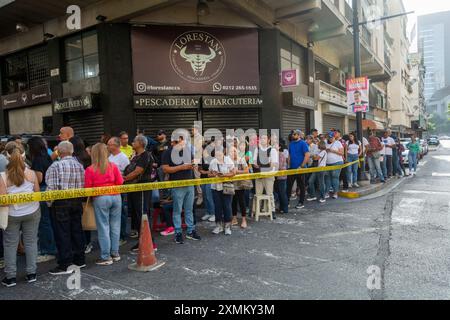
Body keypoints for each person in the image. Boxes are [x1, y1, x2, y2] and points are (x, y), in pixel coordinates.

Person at [0, 142, 41, 287]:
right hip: (32, 211)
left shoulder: (3, 177)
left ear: (7, 156)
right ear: (24, 155)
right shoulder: (32, 173)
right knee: (31, 242)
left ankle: (10, 277)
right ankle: (32, 274)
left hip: (11, 215)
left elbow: (3, 202)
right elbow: (37, 195)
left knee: (10, 245)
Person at [46, 141, 86, 275]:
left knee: (62, 233)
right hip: (76, 200)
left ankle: (65, 264)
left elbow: (51, 189)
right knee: (76, 230)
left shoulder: (55, 166)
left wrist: (49, 203)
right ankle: (80, 260)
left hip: (61, 202)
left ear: (59, 152)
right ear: (72, 151)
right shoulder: (79, 165)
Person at [85, 143, 124, 266]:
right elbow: (120, 182)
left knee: (103, 227)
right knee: (115, 226)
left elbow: (87, 188)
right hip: (116, 196)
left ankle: (106, 256)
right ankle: (115, 253)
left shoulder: (90, 169)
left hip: (100, 198)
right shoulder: (113, 166)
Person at [162, 134, 201, 244]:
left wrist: (193, 163)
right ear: (173, 143)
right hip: (177, 185)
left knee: (189, 210)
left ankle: (190, 231)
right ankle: (178, 233)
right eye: (179, 142)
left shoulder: (187, 151)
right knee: (177, 210)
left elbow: (194, 161)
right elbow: (165, 169)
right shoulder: (168, 152)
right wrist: (182, 167)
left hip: (189, 183)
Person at [123, 135, 156, 253]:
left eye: (134, 140)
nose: (132, 142)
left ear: (141, 143)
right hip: (134, 188)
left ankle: (149, 242)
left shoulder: (145, 155)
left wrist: (124, 179)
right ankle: (142, 240)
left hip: (142, 188)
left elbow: (138, 171)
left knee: (143, 214)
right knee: (137, 215)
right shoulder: (135, 156)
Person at [27, 137, 56, 263]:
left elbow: (38, 179)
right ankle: (50, 247)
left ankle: (47, 250)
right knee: (49, 221)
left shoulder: (38, 159)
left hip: (42, 191)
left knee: (44, 222)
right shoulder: (47, 157)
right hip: (49, 190)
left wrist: (29, 175)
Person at [70, 136, 93, 255]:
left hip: (75, 193)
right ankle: (87, 242)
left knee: (78, 221)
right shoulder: (88, 158)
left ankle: (80, 244)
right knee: (86, 218)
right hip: (86, 192)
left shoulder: (74, 159)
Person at [107, 137, 130, 245]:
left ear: (116, 145)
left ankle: (122, 236)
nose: (108, 146)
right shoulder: (110, 156)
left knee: (120, 213)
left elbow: (127, 173)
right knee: (113, 214)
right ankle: (115, 235)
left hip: (119, 188)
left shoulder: (123, 158)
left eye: (109, 144)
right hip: (110, 188)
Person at [209, 146, 236, 235]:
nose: (218, 155)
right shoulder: (213, 161)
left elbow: (233, 172)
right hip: (215, 188)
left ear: (223, 152)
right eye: (217, 154)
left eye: (220, 153)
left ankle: (227, 226)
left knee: (227, 207)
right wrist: (213, 174)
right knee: (217, 207)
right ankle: (218, 226)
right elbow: (209, 174)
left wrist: (224, 175)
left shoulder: (228, 160)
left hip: (226, 187)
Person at [253, 134, 279, 213]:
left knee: (269, 193)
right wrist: (257, 165)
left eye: (264, 138)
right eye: (261, 138)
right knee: (258, 194)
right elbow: (254, 162)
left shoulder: (273, 150)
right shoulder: (257, 149)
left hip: (269, 175)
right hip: (259, 174)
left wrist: (266, 164)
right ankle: (255, 211)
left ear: (268, 140)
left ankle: (272, 210)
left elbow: (274, 164)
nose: (262, 140)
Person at [286, 130, 310, 209]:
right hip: (292, 168)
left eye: (295, 134)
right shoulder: (291, 144)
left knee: (301, 186)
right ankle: (287, 202)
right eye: (292, 134)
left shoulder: (303, 143)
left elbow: (307, 155)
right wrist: (288, 165)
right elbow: (289, 155)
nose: (293, 135)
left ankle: (301, 202)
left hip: (300, 168)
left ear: (299, 135)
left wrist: (302, 165)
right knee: (289, 186)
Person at [230, 145, 250, 228]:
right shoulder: (228, 160)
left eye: (234, 151)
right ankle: (234, 218)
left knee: (241, 201)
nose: (233, 153)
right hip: (231, 184)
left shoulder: (241, 159)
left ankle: (244, 220)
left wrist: (237, 171)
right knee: (233, 201)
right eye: (231, 151)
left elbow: (246, 170)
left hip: (240, 184)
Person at [199, 141, 216, 223]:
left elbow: (214, 172)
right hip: (203, 179)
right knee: (205, 196)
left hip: (210, 180)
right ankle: (208, 212)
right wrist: (204, 172)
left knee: (210, 197)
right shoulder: (202, 158)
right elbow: (199, 169)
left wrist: (205, 172)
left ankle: (213, 213)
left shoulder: (212, 159)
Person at [324, 132, 344, 199]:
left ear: (334, 137)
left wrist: (332, 151)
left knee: (335, 177)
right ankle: (327, 192)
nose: (330, 139)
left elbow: (342, 153)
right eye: (329, 137)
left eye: (331, 137)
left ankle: (335, 193)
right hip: (327, 163)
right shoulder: (326, 143)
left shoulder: (338, 143)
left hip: (337, 162)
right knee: (327, 178)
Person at [274, 139, 289, 214]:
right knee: (279, 193)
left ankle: (285, 209)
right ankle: (281, 208)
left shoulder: (281, 155)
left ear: (279, 147)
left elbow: (280, 166)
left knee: (282, 193)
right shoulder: (275, 155)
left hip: (282, 177)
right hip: (277, 176)